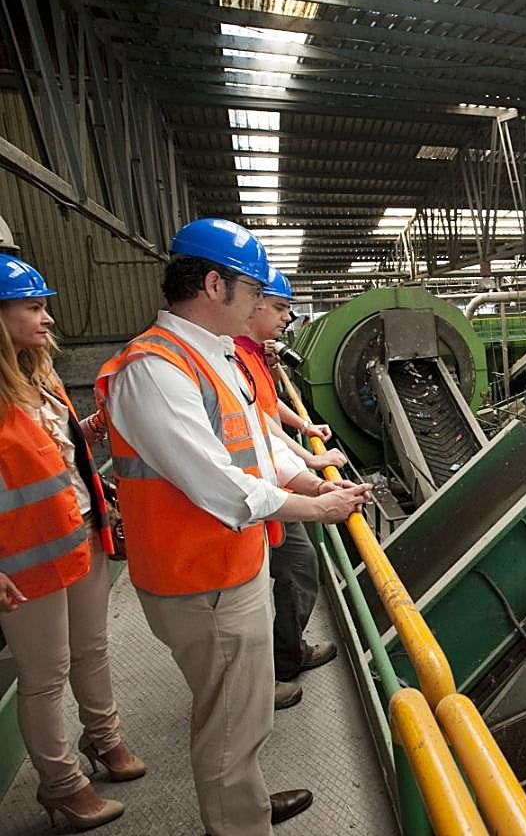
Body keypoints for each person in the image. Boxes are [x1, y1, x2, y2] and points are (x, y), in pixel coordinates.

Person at [95, 218, 371, 836]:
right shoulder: (155, 370)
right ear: (215, 285)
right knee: (229, 725)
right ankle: (238, 822)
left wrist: (309, 483)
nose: (258, 305)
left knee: (242, 715)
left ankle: (241, 800)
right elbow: (219, 484)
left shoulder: (213, 358)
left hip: (231, 566)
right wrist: (319, 509)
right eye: (253, 290)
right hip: (200, 579)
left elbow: (258, 449)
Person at [0, 254, 144, 831]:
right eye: (33, 308)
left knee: (92, 648)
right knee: (45, 674)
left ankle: (104, 741)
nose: (48, 319)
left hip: (80, 533)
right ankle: (60, 785)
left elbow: (48, 456)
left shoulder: (41, 375)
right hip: (24, 557)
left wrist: (85, 432)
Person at [234, 267, 344, 709]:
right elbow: (255, 425)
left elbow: (262, 411)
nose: (286, 318)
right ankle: (279, 666)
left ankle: (280, 660)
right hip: (251, 500)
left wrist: (303, 434)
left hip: (264, 490)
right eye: (279, 307)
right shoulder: (230, 356)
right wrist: (312, 474)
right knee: (294, 567)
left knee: (286, 573)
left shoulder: (244, 354)